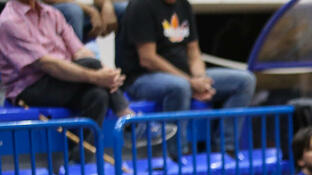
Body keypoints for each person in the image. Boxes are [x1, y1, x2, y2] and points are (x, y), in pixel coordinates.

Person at [0, 0, 168, 148]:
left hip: (60, 80)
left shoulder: (51, 13)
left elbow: (80, 51)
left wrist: (106, 74)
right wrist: (97, 76)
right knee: (92, 68)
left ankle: (78, 160)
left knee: (97, 95)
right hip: (30, 88)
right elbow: (47, 64)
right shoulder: (10, 21)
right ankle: (129, 119)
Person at [115, 0, 256, 116]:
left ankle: (226, 146)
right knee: (180, 87)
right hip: (142, 78)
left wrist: (200, 79)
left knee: (245, 80)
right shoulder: (142, 5)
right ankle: (175, 149)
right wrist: (189, 82)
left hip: (185, 76)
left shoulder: (184, 5)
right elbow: (148, 59)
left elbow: (194, 52)